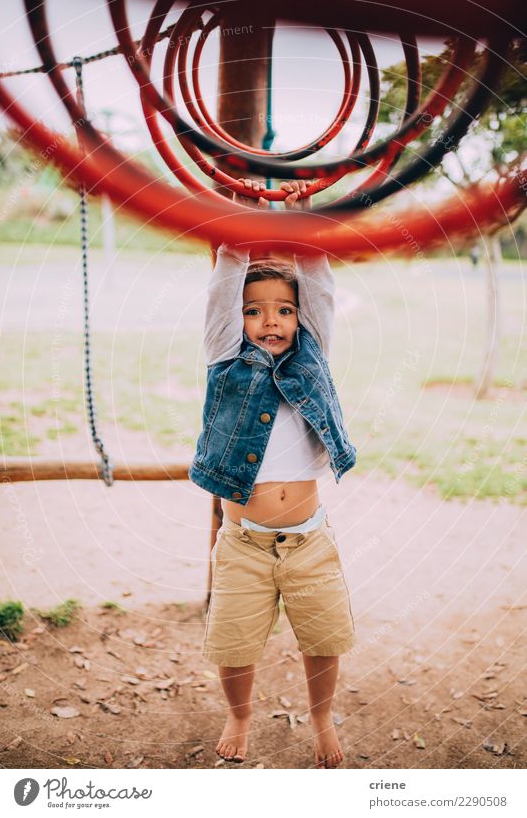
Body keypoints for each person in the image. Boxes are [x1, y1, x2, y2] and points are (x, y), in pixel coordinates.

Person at [188, 178, 357, 769]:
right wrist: (242, 222)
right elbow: (223, 281)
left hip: (309, 539)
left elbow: (319, 286)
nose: (271, 320)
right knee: (233, 644)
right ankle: (239, 713)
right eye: (254, 311)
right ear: (236, 321)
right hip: (243, 546)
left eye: (284, 310)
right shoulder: (224, 355)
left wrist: (302, 214)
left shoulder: (313, 353)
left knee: (324, 640)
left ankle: (322, 718)